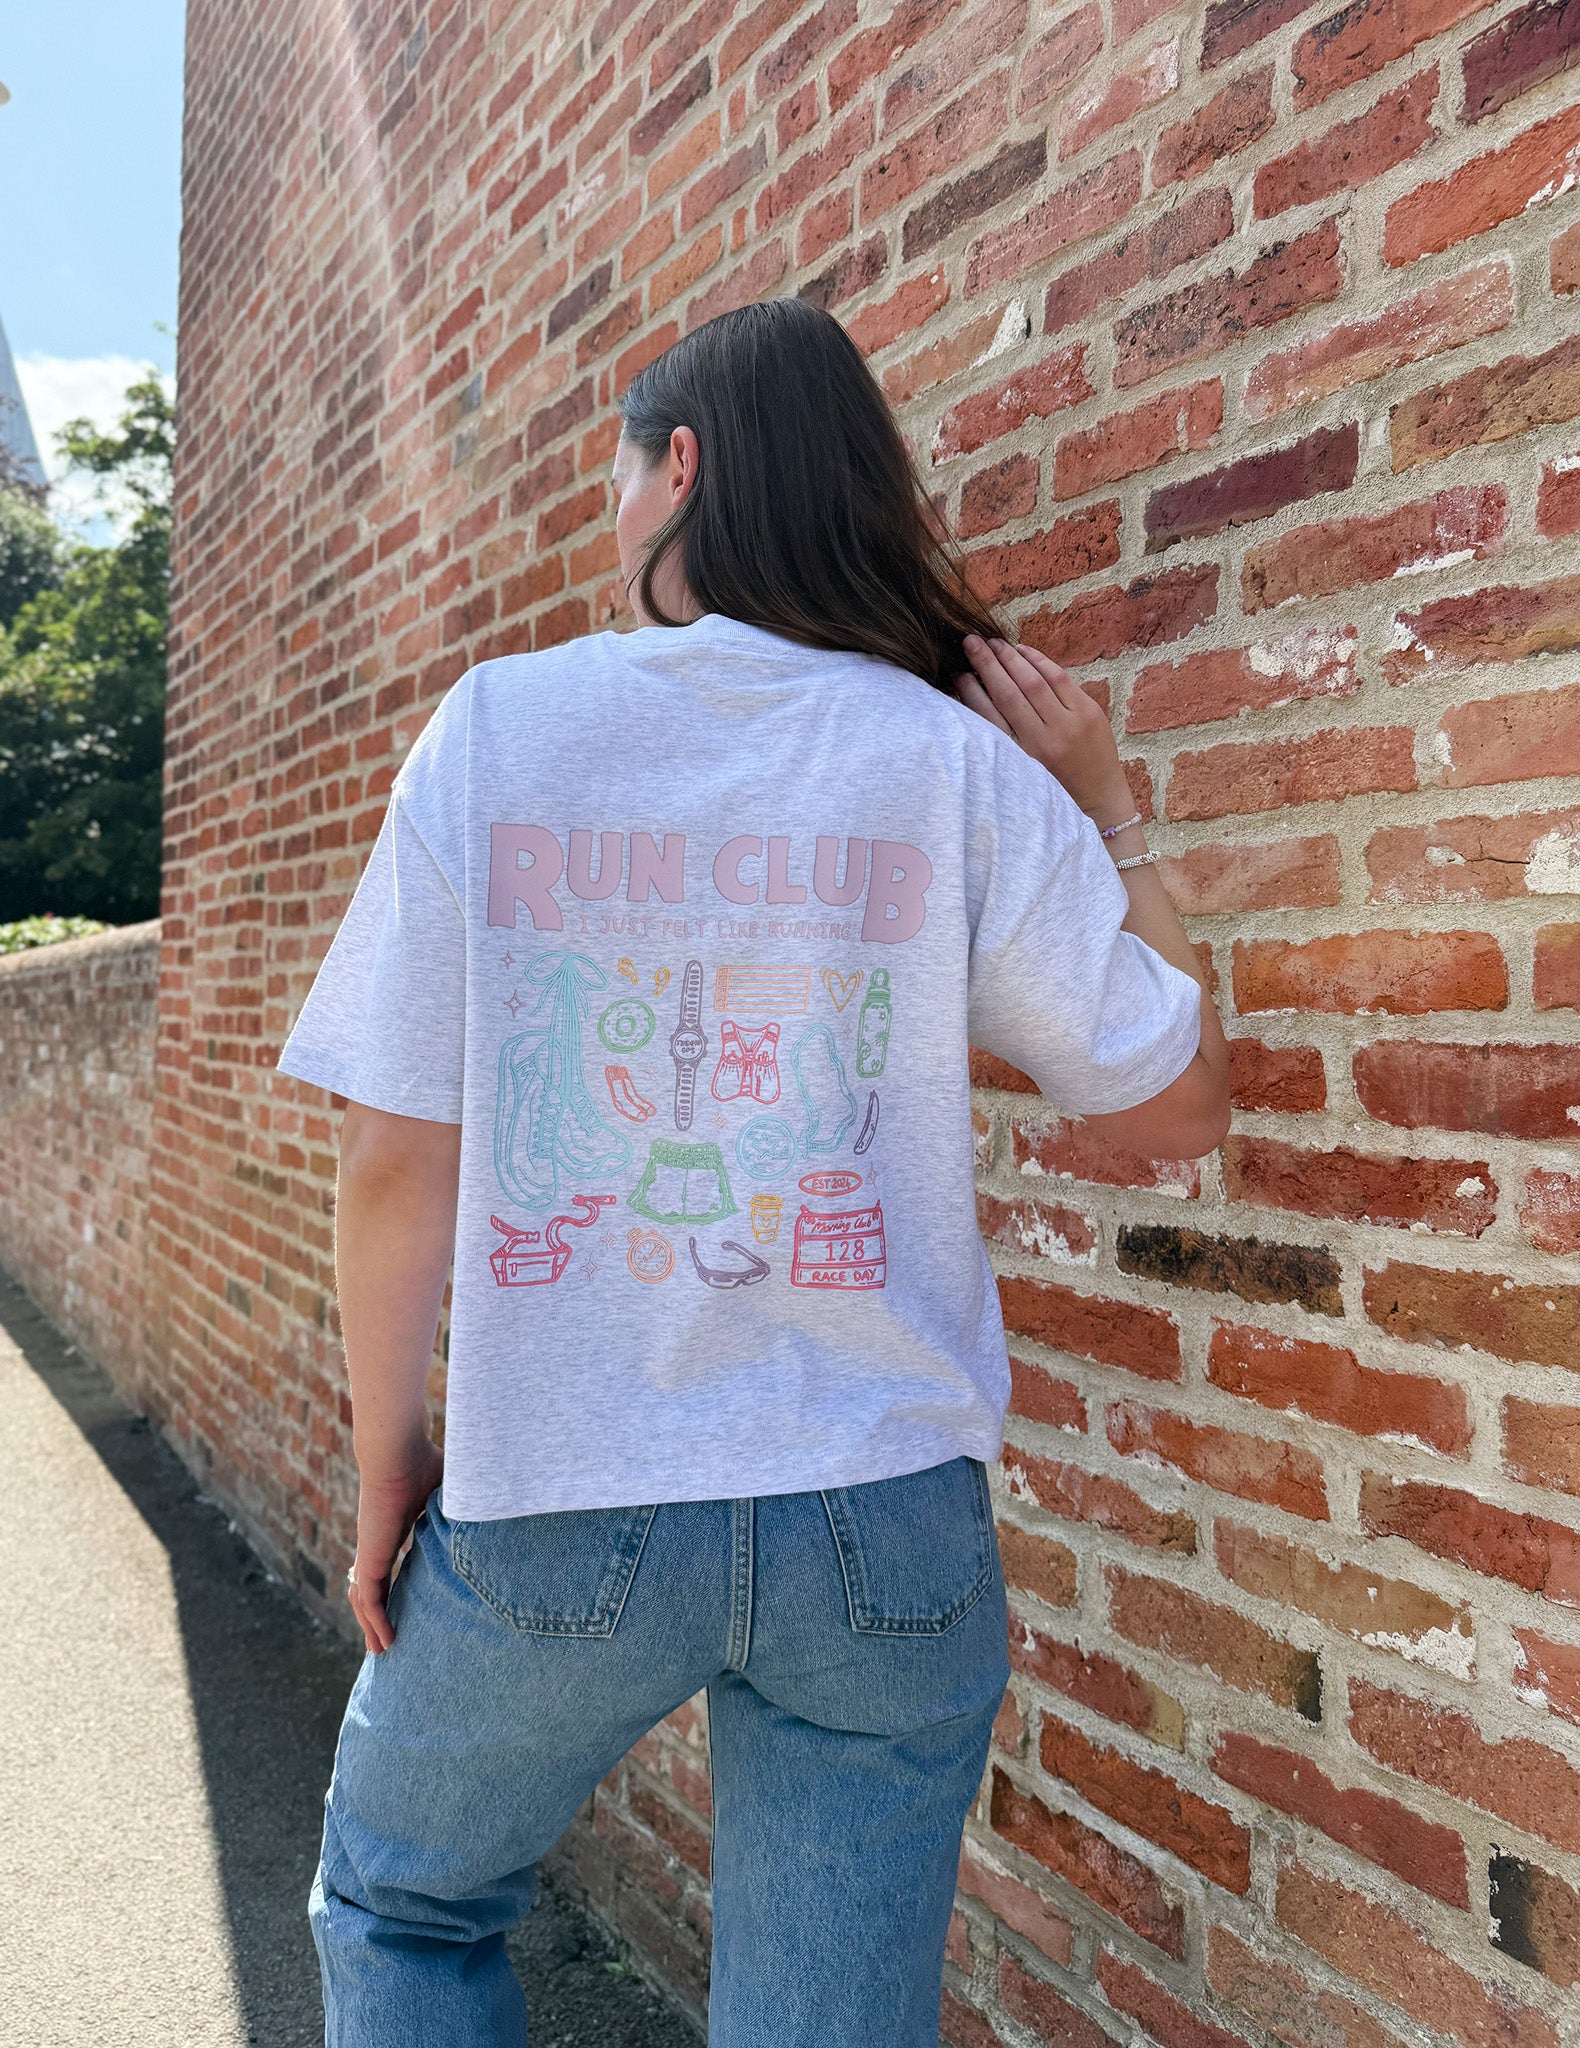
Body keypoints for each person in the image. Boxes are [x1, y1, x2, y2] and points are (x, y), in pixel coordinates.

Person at [278, 296, 1230, 2048]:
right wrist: (1107, 805)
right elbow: (1175, 1110)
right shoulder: (957, 763)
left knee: (404, 1903)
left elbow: (396, 1152)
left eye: (615, 479)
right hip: (887, 1517)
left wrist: (391, 1462)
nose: (609, 515)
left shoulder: (497, 731)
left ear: (682, 466)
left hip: (567, 1488)